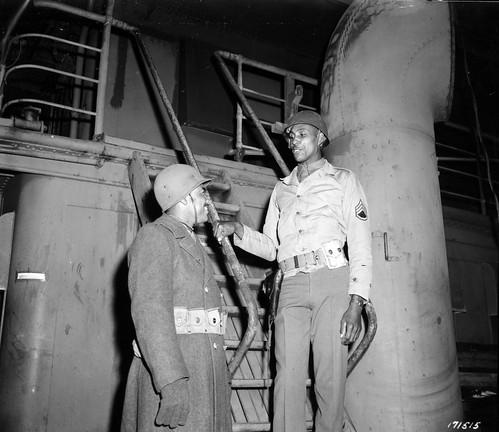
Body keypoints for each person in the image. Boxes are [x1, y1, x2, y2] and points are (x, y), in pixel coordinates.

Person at [215, 110, 372, 432]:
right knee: (286, 375)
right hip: (291, 285)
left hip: (332, 282)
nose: (294, 140)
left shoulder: (343, 180)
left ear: (321, 138)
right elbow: (273, 247)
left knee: (329, 377)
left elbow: (360, 246)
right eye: (290, 136)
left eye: (302, 134)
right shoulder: (282, 189)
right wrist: (238, 230)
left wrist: (356, 303)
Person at [121, 164, 232, 432]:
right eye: (202, 192)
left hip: (201, 375)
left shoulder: (190, 241)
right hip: (176, 376)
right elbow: (150, 313)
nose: (208, 200)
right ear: (184, 198)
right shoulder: (155, 237)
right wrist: (172, 381)